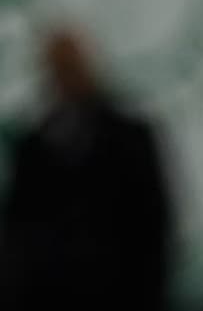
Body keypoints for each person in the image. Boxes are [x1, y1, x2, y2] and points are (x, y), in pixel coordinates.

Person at [0, 27, 171, 311]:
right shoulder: (33, 148)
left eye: (71, 65)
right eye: (59, 68)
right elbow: (19, 236)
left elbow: (153, 229)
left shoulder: (131, 140)